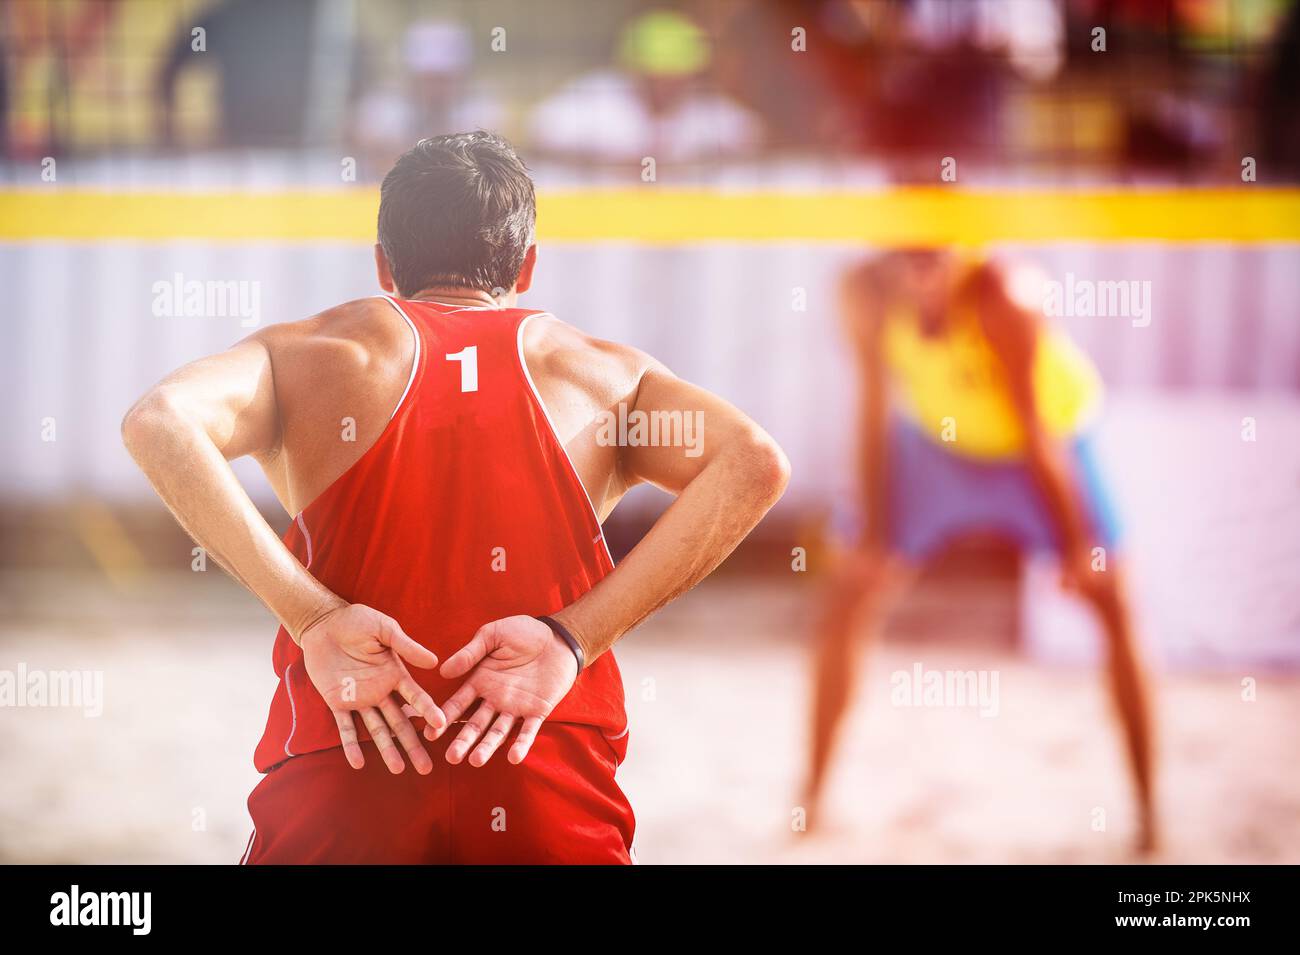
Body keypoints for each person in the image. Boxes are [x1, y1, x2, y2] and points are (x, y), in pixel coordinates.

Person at [121, 132, 789, 863]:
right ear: (527, 265)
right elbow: (752, 462)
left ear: (384, 262)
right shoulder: (602, 374)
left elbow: (158, 422)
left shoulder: (313, 354)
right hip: (541, 758)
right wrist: (576, 636)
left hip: (348, 758)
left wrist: (311, 616)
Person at [803, 248, 1158, 852]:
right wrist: (872, 537)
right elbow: (871, 407)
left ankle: (1150, 819)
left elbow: (1034, 423)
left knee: (1112, 599)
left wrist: (1077, 548)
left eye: (935, 249)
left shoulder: (1004, 295)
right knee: (849, 591)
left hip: (1040, 445)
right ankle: (810, 804)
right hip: (940, 444)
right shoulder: (867, 287)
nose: (922, 263)